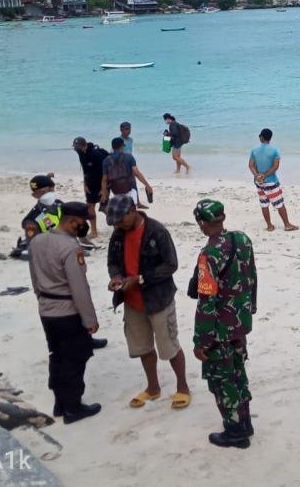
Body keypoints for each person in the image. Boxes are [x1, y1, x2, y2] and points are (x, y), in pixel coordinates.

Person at [105, 195, 191, 410]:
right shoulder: (118, 234)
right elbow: (113, 262)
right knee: (142, 347)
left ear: (133, 210)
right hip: (132, 301)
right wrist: (116, 277)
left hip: (159, 299)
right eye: (114, 222)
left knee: (169, 345)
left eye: (120, 220)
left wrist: (141, 279)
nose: (117, 225)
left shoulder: (157, 231)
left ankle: (183, 386)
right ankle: (153, 387)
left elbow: (171, 264)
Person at [190, 199, 258, 448]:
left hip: (219, 329)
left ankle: (235, 432)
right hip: (240, 323)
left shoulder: (209, 255)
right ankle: (245, 421)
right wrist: (250, 309)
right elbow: (252, 277)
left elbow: (206, 301)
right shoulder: (242, 239)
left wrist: (201, 340)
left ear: (202, 223)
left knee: (222, 380)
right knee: (239, 373)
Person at [29, 202, 101, 423]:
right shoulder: (70, 247)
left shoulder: (37, 241)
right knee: (75, 359)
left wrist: (41, 300)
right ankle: (73, 407)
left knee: (57, 356)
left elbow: (34, 277)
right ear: (72, 221)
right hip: (68, 311)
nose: (84, 227)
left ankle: (60, 403)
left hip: (46, 309)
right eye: (82, 223)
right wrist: (90, 320)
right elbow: (78, 287)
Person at [248, 128, 299, 232]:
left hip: (259, 182)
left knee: (264, 203)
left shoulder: (254, 150)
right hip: (271, 181)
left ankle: (269, 226)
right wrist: (265, 176)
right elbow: (275, 167)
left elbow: (251, 165)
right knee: (279, 203)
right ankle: (287, 224)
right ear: (270, 138)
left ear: (261, 137)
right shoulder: (275, 150)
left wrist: (257, 175)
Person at [100, 137, 153, 209]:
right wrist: (147, 185)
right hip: (128, 188)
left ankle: (135, 203)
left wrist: (103, 192)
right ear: (122, 147)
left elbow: (104, 179)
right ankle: (137, 203)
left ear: (112, 147)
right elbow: (137, 173)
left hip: (115, 189)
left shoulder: (106, 160)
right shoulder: (129, 157)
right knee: (132, 175)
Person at [73, 137, 109, 238]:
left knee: (105, 208)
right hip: (90, 184)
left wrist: (104, 189)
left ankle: (118, 228)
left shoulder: (96, 154)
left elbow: (105, 173)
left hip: (102, 183)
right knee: (90, 208)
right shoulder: (81, 154)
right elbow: (85, 170)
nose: (76, 150)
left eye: (77, 148)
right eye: (75, 148)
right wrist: (85, 184)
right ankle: (94, 232)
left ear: (84, 145)